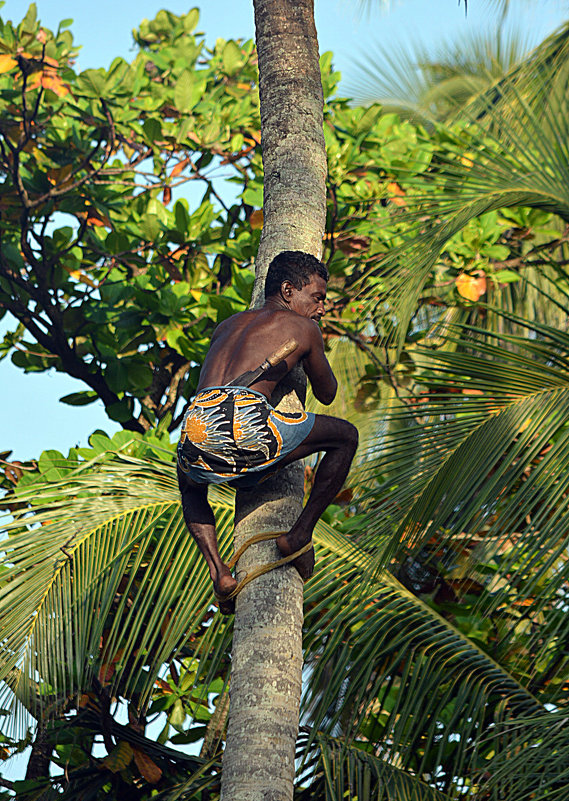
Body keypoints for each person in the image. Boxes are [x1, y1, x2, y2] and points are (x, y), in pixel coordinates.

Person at [177, 250, 359, 613]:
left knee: (190, 481)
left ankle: (219, 572)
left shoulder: (226, 325)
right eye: (317, 298)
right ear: (288, 291)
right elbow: (327, 393)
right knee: (346, 436)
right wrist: (311, 348)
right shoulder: (304, 328)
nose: (322, 308)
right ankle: (300, 534)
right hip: (244, 425)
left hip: (196, 425)